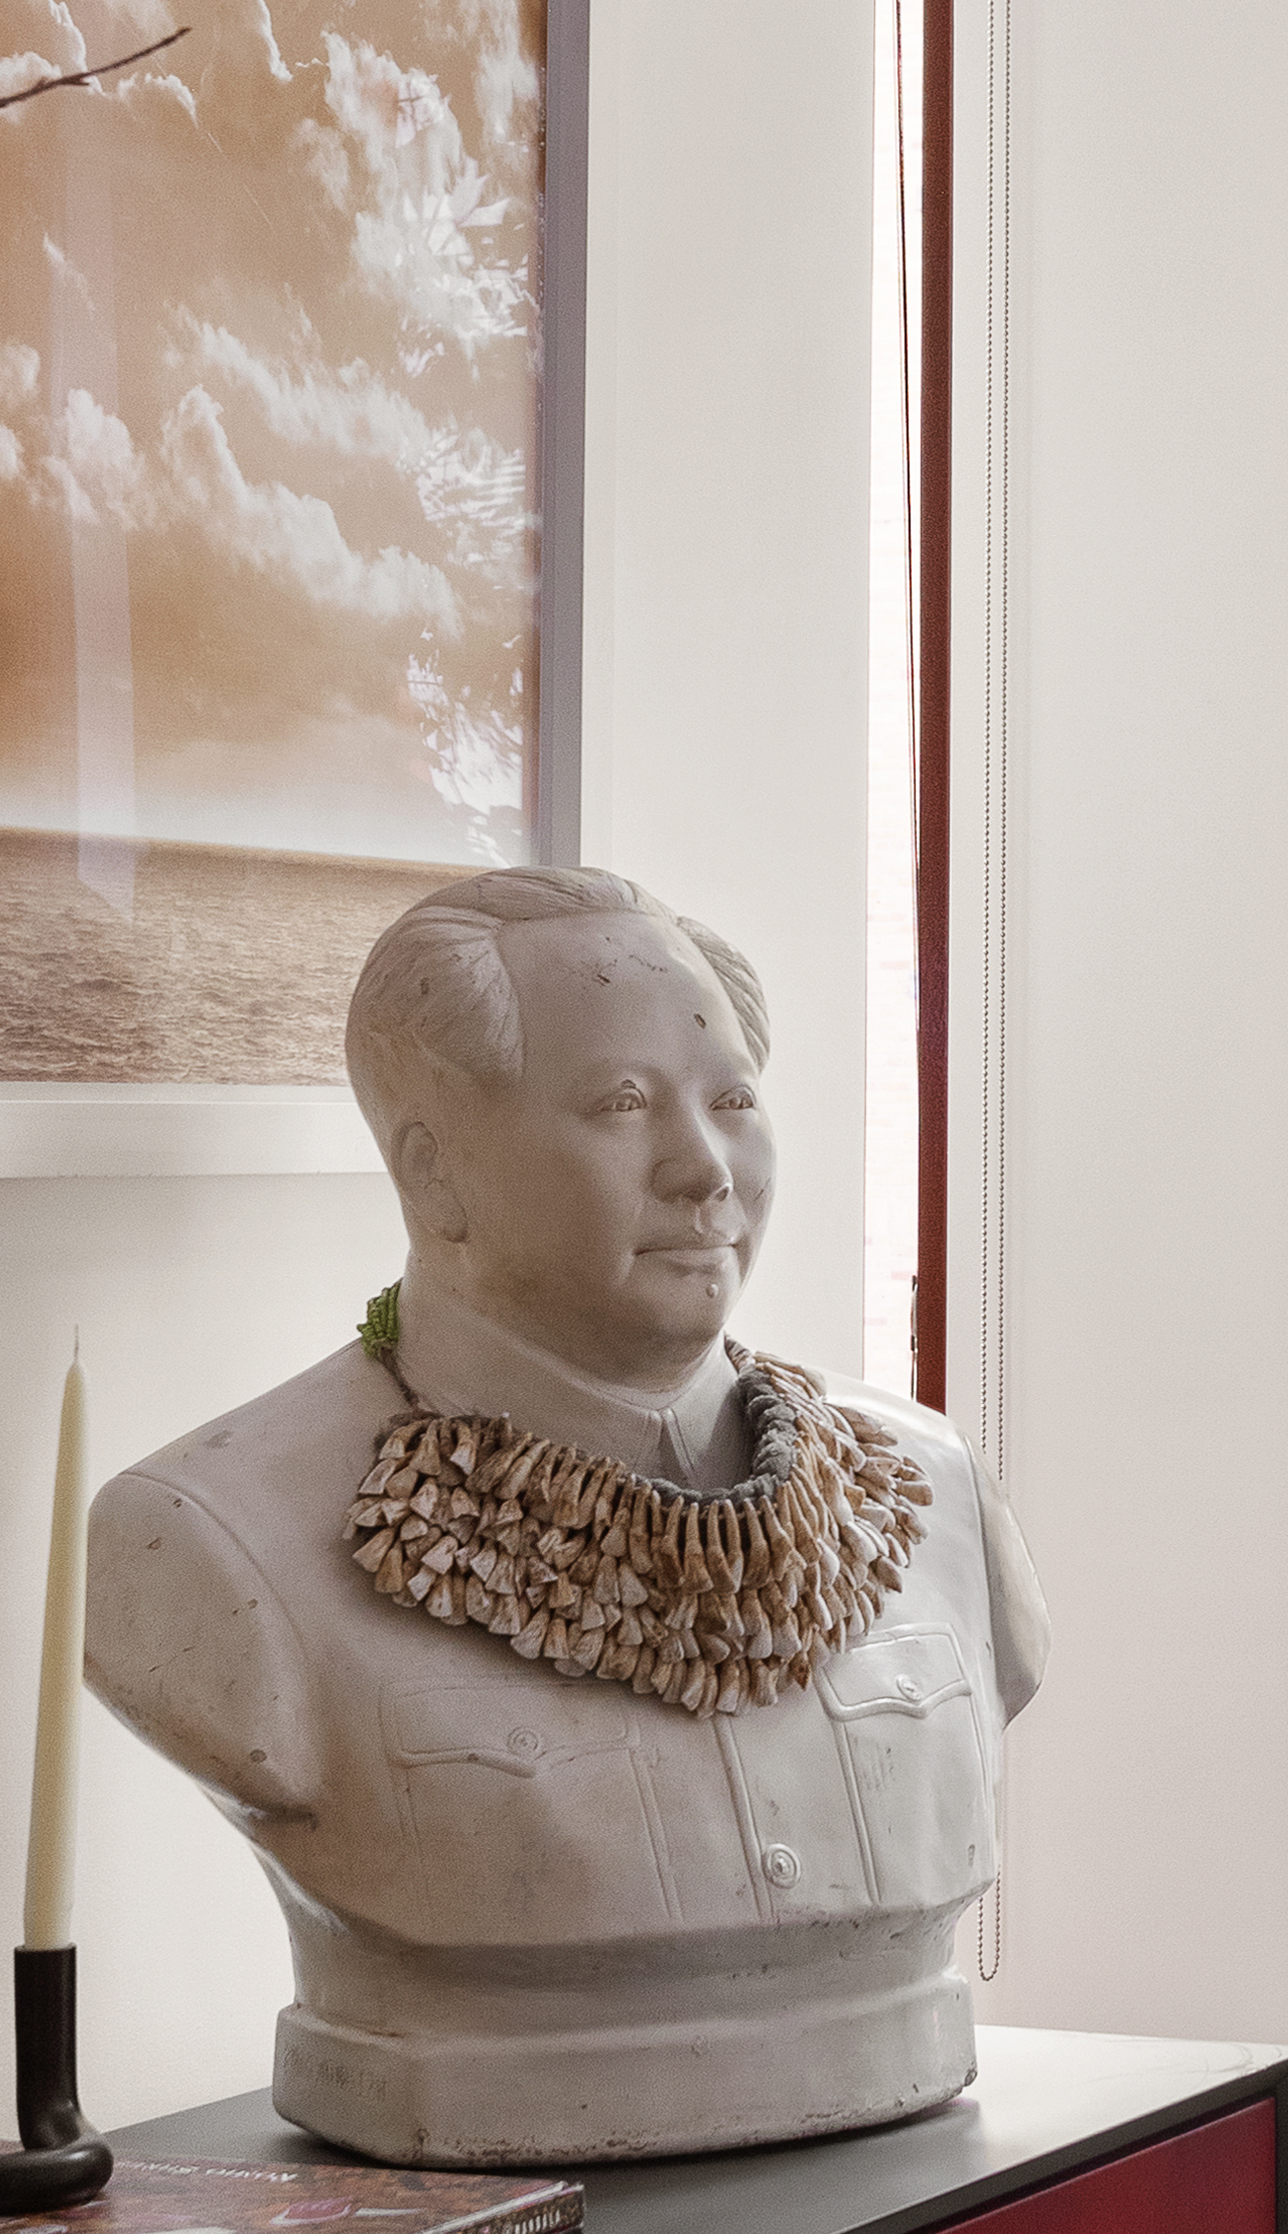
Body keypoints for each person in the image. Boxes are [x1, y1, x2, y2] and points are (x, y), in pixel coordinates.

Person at [86, 863, 1045, 2162]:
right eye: (620, 1104)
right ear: (434, 1175)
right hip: (482, 2162)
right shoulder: (209, 1539)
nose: (704, 1171)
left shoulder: (928, 1491)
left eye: (734, 1102)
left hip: (913, 2150)